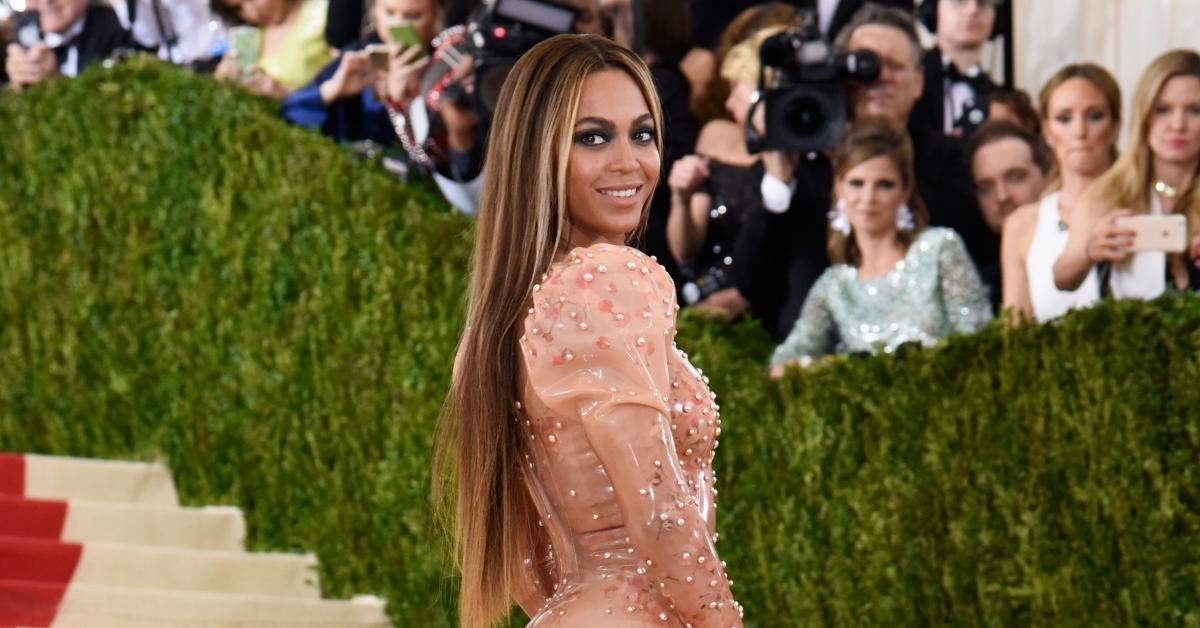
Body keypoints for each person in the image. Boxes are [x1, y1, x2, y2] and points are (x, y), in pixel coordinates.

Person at [433, 34, 742, 627]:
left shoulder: (498, 321)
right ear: (537, 153)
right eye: (593, 137)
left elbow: (523, 561)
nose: (629, 161)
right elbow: (660, 513)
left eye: (643, 133)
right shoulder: (608, 276)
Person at [733, 4, 995, 341]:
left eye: (894, 66)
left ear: (918, 83)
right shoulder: (797, 161)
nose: (879, 76)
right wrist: (779, 183)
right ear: (839, 77)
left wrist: (874, 167)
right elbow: (750, 283)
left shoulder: (948, 158)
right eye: (863, 66)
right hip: (808, 369)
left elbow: (974, 245)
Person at [769, 119, 991, 375]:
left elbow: (977, 340)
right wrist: (833, 369)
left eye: (884, 184)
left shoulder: (939, 248)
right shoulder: (835, 285)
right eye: (856, 183)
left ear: (905, 192)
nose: (868, 198)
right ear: (839, 188)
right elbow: (784, 361)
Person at [1054, 50, 1200, 299]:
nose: (1177, 125)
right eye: (1162, 109)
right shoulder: (1109, 192)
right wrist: (1089, 251)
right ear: (1143, 115)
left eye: (1194, 110)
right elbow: (1062, 278)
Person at [667, 26, 781, 319]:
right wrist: (681, 197)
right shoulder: (715, 134)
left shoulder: (794, 160)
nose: (729, 104)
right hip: (700, 302)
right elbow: (685, 252)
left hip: (764, 310)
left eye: (735, 90)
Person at [1000, 64, 1120, 322]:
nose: (1079, 132)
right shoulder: (1023, 224)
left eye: (1095, 115)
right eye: (1064, 118)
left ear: (1115, 125)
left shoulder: (1142, 205)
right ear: (1046, 131)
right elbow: (1014, 329)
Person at [281, 0, 440, 149]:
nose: (397, 25)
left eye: (413, 16)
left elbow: (434, 156)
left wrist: (400, 102)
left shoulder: (441, 70)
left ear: (436, 18)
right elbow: (290, 112)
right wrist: (332, 89)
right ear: (375, 12)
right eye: (390, 12)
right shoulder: (359, 54)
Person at [966, 119, 1050, 307]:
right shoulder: (980, 286)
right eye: (986, 187)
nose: (1002, 196)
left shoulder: (1080, 248)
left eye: (1015, 177)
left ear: (1048, 175)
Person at [912, 0, 1002, 137]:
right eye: (959, 1)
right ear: (934, 9)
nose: (973, 10)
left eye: (983, 2)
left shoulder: (998, 95)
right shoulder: (909, 77)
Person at [4, 0, 136, 91]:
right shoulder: (25, 25)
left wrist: (56, 84)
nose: (46, 1)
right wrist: (17, 73)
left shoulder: (116, 30)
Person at [212, 0, 331, 99]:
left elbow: (344, 85)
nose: (253, 13)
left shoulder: (323, 11)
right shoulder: (249, 38)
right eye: (239, 8)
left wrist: (284, 94)